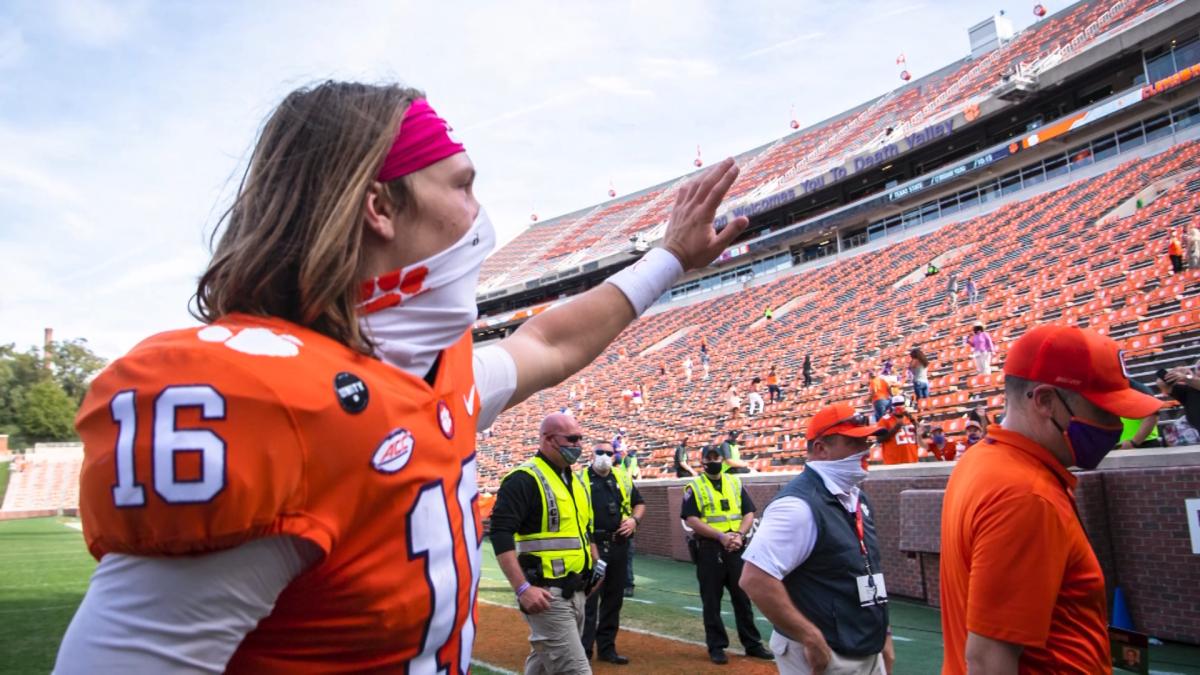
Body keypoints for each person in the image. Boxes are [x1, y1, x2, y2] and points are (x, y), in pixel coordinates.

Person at [55, 85, 751, 672]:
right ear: (379, 207)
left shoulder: (424, 376)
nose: (479, 215)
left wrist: (668, 260)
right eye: (463, 184)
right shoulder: (278, 403)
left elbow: (550, 341)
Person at [940, 325, 1163, 674]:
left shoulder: (985, 458)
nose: (1116, 425)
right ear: (1045, 401)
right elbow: (988, 661)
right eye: (1103, 410)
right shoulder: (1025, 494)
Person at [741, 402, 894, 675]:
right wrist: (810, 636)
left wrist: (884, 632)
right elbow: (755, 579)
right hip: (827, 652)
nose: (865, 450)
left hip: (864, 644)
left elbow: (867, 568)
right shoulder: (797, 506)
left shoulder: (857, 497)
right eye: (855, 442)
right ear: (822, 448)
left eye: (866, 441)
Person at [491, 414, 600, 674]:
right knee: (575, 670)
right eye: (572, 439)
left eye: (581, 439)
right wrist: (522, 588)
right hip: (547, 595)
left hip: (578, 591)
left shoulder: (576, 480)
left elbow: (585, 531)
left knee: (541, 668)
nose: (578, 445)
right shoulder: (523, 479)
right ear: (549, 440)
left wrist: (595, 565)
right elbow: (500, 533)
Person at [682, 447, 774, 665]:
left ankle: (752, 644)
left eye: (717, 457)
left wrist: (740, 535)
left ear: (722, 460)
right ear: (702, 461)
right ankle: (716, 646)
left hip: (735, 548)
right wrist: (720, 536)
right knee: (711, 601)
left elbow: (749, 512)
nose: (714, 461)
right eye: (710, 458)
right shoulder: (694, 486)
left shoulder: (734, 482)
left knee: (742, 599)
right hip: (709, 549)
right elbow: (691, 519)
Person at [579, 441, 646, 665]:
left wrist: (634, 520)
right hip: (592, 546)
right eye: (600, 452)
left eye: (609, 453)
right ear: (592, 454)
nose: (605, 456)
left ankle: (607, 649)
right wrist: (591, 546)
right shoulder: (579, 479)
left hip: (618, 544)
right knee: (589, 600)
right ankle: (584, 651)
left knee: (613, 599)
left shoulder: (622, 477)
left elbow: (640, 503)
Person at [1117, 378, 1162, 449]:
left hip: (1143, 444)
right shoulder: (1111, 391)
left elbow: (1152, 415)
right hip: (1123, 445)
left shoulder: (1137, 389)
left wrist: (1134, 443)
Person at [878, 395, 920, 465]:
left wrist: (911, 419)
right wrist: (896, 428)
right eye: (896, 404)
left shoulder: (911, 418)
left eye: (900, 404)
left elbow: (922, 433)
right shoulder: (884, 420)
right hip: (894, 462)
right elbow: (879, 439)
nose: (898, 406)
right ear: (892, 406)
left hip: (912, 459)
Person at [1157, 366, 1200, 430]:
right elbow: (1161, 384)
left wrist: (1186, 377)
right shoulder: (1189, 390)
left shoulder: (1189, 380)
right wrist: (1174, 372)